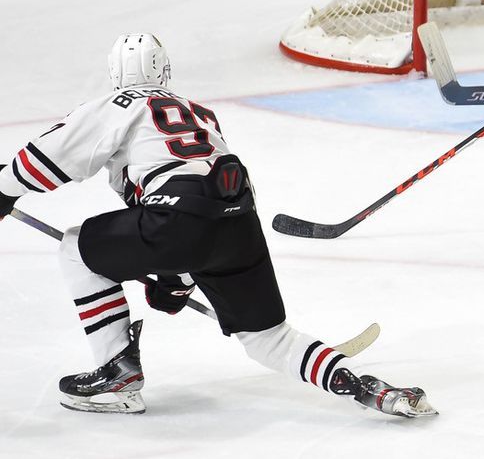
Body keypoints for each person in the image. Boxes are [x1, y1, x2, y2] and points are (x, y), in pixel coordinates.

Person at [0, 34, 436, 417]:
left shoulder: (117, 105)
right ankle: (367, 389)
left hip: (178, 221)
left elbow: (48, 158)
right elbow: (201, 198)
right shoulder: (200, 112)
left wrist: (3, 186)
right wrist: (176, 277)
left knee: (78, 248)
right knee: (269, 338)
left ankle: (119, 378)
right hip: (239, 226)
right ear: (165, 70)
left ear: (115, 75)